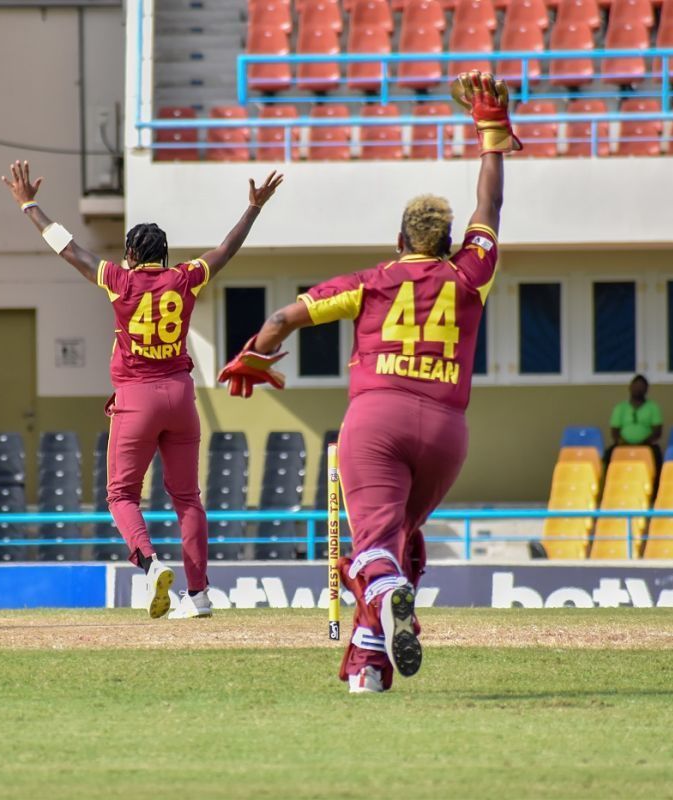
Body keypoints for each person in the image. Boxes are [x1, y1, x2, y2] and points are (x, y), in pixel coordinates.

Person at [219, 71, 517, 693]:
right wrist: (491, 134)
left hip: (376, 422)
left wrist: (255, 354)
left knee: (376, 555)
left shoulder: (371, 281)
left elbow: (282, 317)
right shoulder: (471, 275)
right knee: (400, 544)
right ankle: (368, 669)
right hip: (445, 432)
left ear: (399, 240)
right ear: (448, 241)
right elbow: (490, 207)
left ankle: (388, 599)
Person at [1, 160, 282, 619]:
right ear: (165, 255)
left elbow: (68, 249)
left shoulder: (120, 280)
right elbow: (226, 249)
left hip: (137, 398)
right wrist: (252, 209)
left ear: (131, 255)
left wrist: (30, 205)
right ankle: (200, 596)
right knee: (187, 497)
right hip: (181, 394)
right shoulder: (185, 277)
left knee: (121, 496)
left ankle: (150, 566)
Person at [607, 374, 663, 468]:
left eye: (641, 386)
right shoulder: (620, 407)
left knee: (657, 456)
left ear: (646, 389)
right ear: (630, 387)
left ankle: (656, 482)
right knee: (609, 454)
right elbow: (615, 432)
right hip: (623, 444)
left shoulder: (653, 407)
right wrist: (624, 443)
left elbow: (657, 431)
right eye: (636, 386)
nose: (638, 389)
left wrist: (643, 443)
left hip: (646, 445)